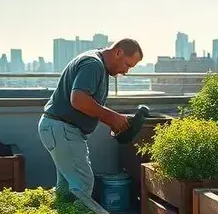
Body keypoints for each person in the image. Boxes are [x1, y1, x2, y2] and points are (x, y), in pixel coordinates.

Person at [38, 38, 143, 203]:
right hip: (63, 129)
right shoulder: (93, 64)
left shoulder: (97, 63)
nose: (126, 72)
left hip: (59, 129)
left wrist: (112, 123)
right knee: (83, 183)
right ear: (118, 52)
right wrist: (113, 117)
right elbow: (79, 100)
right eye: (127, 65)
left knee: (67, 189)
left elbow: (88, 105)